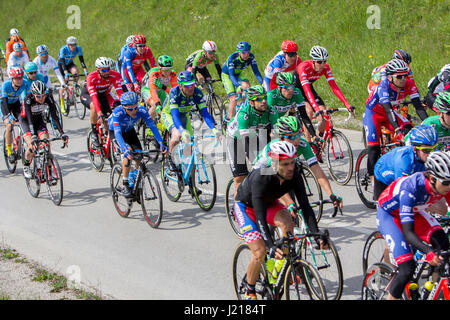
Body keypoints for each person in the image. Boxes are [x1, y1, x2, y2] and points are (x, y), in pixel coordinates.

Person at [233, 140, 328, 300]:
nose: (290, 168)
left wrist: (316, 233)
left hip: (270, 203)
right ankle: (249, 289)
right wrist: (270, 245)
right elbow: (260, 216)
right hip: (246, 208)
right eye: (285, 164)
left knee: (289, 225)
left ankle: (276, 270)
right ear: (275, 163)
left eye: (292, 162)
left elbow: (305, 207)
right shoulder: (261, 177)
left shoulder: (294, 174)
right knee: (259, 251)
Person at [377, 150, 450, 300]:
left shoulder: (443, 184)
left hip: (415, 211)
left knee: (443, 245)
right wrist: (428, 251)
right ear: (431, 178)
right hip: (390, 215)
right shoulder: (411, 188)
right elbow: (409, 233)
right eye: (446, 182)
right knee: (406, 268)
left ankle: (432, 291)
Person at [253, 116, 343, 210]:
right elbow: (274, 179)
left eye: (298, 135)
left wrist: (331, 194)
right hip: (263, 171)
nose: (296, 140)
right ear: (281, 138)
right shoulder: (275, 148)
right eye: (291, 137)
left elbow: (317, 170)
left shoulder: (303, 144)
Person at [363, 58, 429, 184]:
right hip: (374, 113)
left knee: (410, 132)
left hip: (391, 112)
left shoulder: (409, 84)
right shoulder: (383, 86)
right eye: (399, 76)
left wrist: (428, 122)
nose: (403, 79)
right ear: (390, 77)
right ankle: (373, 181)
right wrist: (398, 130)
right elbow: (388, 111)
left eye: (405, 75)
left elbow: (418, 107)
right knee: (374, 148)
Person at [108, 92, 167, 197]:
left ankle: (133, 178)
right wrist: (124, 149)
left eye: (135, 108)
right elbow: (117, 133)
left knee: (139, 155)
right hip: (117, 133)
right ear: (124, 107)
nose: (134, 111)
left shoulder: (141, 110)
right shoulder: (118, 112)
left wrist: (161, 142)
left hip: (130, 131)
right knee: (129, 152)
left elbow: (152, 126)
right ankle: (125, 184)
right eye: (130, 109)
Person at [161, 71, 220, 169]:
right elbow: (175, 116)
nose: (191, 88)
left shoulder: (197, 93)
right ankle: (170, 160)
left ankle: (189, 180)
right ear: (180, 86)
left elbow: (205, 114)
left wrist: (214, 129)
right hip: (169, 115)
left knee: (190, 146)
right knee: (177, 136)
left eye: (192, 84)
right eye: (187, 86)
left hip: (184, 115)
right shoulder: (174, 93)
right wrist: (181, 130)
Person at [226, 85, 278, 196]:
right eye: (258, 99)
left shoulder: (271, 111)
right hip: (236, 138)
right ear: (251, 103)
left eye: (264, 97)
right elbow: (245, 142)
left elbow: (278, 136)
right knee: (240, 177)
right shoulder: (244, 114)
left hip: (254, 135)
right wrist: (256, 162)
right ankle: (238, 208)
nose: (263, 101)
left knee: (268, 170)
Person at [294, 45, 355, 138]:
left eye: (324, 61)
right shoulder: (304, 67)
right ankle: (309, 143)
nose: (322, 64)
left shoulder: (325, 68)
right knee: (309, 112)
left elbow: (334, 87)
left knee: (324, 112)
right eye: (319, 62)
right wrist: (316, 109)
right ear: (313, 61)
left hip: (308, 87)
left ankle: (320, 142)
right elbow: (307, 91)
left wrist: (347, 104)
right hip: (297, 89)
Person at [374, 125, 439, 200]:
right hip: (383, 174)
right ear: (415, 149)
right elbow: (401, 191)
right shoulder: (404, 162)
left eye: (434, 148)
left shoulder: (428, 154)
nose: (431, 153)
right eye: (426, 150)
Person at [20, 80, 68, 178]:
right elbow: (29, 119)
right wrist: (33, 135)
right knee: (31, 146)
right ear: (33, 94)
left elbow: (54, 117)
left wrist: (62, 133)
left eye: (43, 95)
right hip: (26, 122)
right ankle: (26, 165)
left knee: (46, 146)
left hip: (39, 120)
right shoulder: (28, 99)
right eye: (38, 96)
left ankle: (49, 175)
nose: (41, 98)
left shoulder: (48, 97)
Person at [80, 57, 124, 147]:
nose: (107, 72)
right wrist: (99, 113)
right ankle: (94, 133)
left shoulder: (114, 75)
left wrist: (125, 105)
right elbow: (94, 97)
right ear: (98, 70)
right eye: (103, 70)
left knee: (108, 117)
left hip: (102, 94)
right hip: (88, 94)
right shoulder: (91, 77)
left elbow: (120, 92)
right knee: (95, 107)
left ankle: (109, 141)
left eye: (108, 69)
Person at [267, 72, 317, 142]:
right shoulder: (272, 96)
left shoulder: (296, 93)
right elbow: (268, 118)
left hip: (278, 118)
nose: (290, 90)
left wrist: (314, 135)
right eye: (286, 87)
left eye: (292, 87)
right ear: (279, 88)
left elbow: (304, 116)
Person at [221, 41, 264, 121]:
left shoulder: (251, 57)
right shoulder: (232, 58)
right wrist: (238, 86)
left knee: (247, 87)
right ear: (238, 52)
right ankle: (231, 121)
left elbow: (256, 72)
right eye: (243, 52)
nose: (246, 54)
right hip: (228, 75)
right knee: (233, 98)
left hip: (238, 73)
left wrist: (263, 83)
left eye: (248, 52)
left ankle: (244, 109)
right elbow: (231, 75)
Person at [1, 67, 30, 163]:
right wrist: (9, 116)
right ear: (12, 79)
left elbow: (30, 97)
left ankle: (22, 142)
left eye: (21, 77)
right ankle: (9, 152)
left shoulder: (25, 83)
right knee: (9, 125)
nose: (20, 80)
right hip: (4, 105)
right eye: (17, 78)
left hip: (16, 103)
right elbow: (4, 103)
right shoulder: (5, 85)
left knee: (23, 120)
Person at [141, 55, 178, 120]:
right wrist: (157, 103)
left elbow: (175, 91)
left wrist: (163, 87)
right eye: (165, 70)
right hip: (147, 89)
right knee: (155, 105)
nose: (168, 72)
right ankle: (148, 127)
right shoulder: (154, 73)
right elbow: (153, 90)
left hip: (160, 90)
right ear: (160, 68)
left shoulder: (172, 73)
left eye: (170, 69)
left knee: (167, 108)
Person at [57, 36, 88, 114]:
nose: (73, 47)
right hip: (62, 65)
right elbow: (62, 62)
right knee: (63, 83)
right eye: (71, 45)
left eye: (74, 44)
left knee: (76, 72)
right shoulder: (63, 49)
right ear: (68, 45)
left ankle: (74, 87)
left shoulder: (78, 48)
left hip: (70, 64)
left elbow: (81, 60)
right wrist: (66, 73)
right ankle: (62, 104)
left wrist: (85, 71)